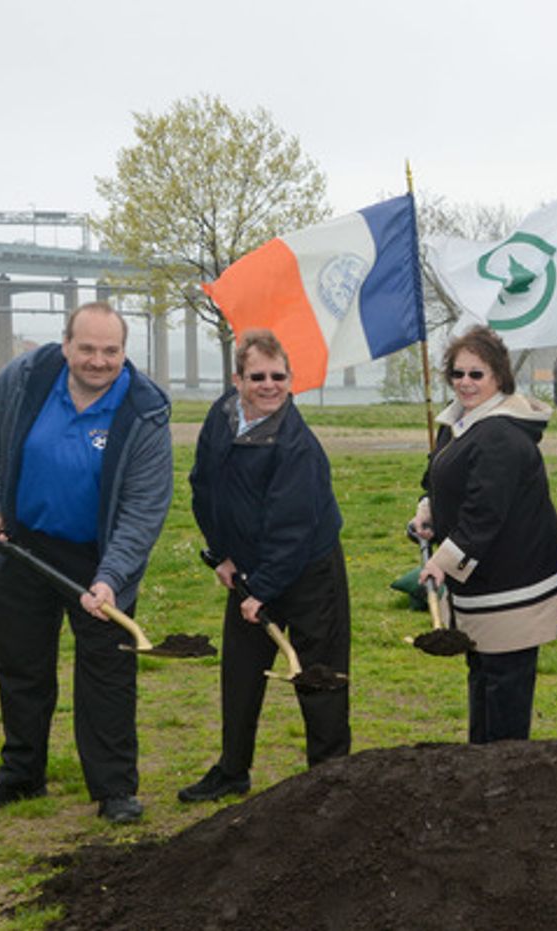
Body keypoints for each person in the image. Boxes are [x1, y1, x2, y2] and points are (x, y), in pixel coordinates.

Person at [0, 301, 172, 824]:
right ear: (66, 346)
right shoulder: (26, 378)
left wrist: (110, 580)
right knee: (21, 664)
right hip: (21, 543)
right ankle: (21, 772)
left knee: (108, 670)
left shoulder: (144, 411)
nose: (98, 361)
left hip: (98, 555)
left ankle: (114, 787)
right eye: (87, 348)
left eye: (111, 350)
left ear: (124, 352)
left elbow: (143, 511)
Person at [180, 330, 351, 802]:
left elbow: (291, 529)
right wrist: (222, 554)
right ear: (237, 379)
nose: (269, 385)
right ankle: (232, 770)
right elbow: (204, 487)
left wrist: (264, 591)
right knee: (240, 671)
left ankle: (330, 779)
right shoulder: (221, 417)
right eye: (257, 376)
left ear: (291, 379)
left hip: (310, 570)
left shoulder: (297, 446)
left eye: (279, 376)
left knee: (320, 675)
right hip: (250, 567)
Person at [411, 326, 557, 743]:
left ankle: (507, 782)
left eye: (476, 375)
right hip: (481, 579)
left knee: (505, 686)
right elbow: (442, 478)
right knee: (482, 674)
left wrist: (441, 564)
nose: (465, 383)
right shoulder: (458, 421)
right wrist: (428, 510)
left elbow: (484, 513)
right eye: (457, 374)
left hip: (514, 582)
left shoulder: (499, 433)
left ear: (499, 376)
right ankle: (481, 769)